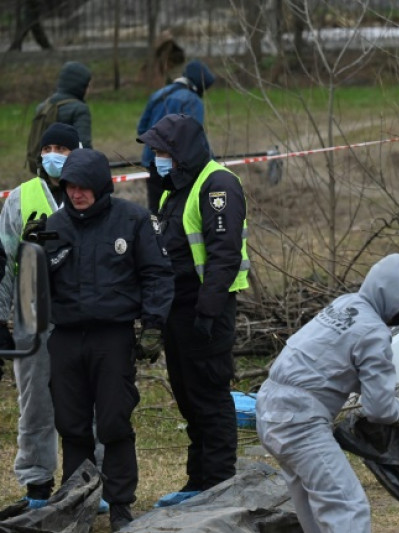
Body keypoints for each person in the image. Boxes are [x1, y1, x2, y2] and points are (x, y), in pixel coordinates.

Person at [42, 148, 173, 531]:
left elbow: (157, 274)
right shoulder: (54, 226)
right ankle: (75, 503)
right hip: (66, 337)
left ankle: (120, 504)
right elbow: (33, 288)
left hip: (111, 336)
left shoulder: (132, 221)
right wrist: (29, 252)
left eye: (84, 187)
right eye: (70, 187)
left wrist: (153, 325)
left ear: (101, 187)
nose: (76, 194)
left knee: (114, 421)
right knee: (72, 423)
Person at [256, 253, 399, 533]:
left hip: (269, 410)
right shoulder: (374, 331)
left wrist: (393, 388)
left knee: (312, 505)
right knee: (346, 507)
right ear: (395, 298)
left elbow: (332, 360)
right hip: (300, 424)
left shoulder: (346, 304)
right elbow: (379, 410)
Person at [137, 113, 249, 507]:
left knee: (211, 399)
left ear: (180, 151)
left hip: (207, 312)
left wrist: (208, 312)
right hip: (178, 311)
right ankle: (197, 481)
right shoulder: (174, 189)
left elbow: (224, 255)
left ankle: (217, 488)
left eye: (162, 151)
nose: (157, 158)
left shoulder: (218, 184)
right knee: (188, 398)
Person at [0, 122, 77, 509]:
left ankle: (86, 480)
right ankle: (35, 484)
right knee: (34, 405)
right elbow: (3, 260)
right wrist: (0, 320)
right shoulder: (20, 197)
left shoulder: (90, 193)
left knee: (86, 404)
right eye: (50, 147)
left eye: (64, 148)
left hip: (80, 315)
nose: (55, 155)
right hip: (32, 317)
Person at [137, 60, 215, 214]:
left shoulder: (158, 95)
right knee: (179, 213)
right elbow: (194, 137)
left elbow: (142, 129)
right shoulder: (193, 101)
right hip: (178, 167)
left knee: (156, 212)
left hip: (153, 162)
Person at [38, 61, 93, 150]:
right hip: (70, 163)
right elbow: (84, 147)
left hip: (41, 163)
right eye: (88, 86)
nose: (89, 90)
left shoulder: (43, 107)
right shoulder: (80, 110)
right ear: (80, 86)